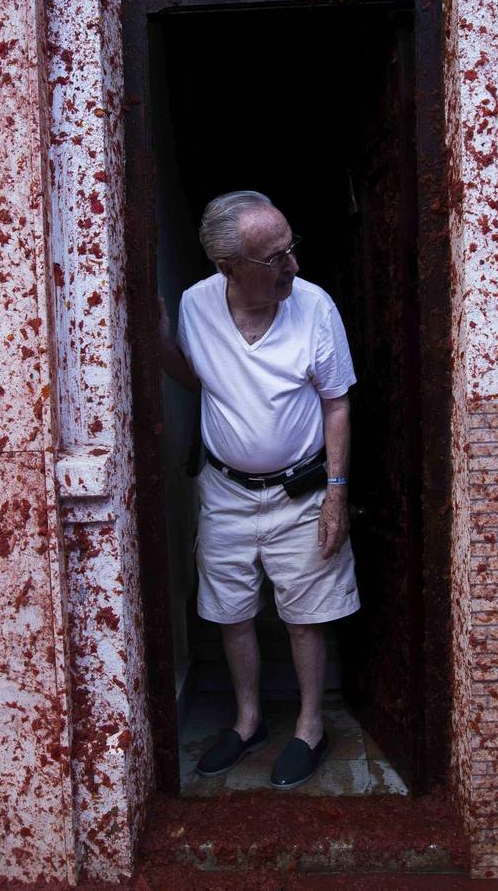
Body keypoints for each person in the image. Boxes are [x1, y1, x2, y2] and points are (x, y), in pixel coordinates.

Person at [158, 190, 358, 790]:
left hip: (301, 491)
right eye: (274, 259)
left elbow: (336, 402)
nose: (292, 266)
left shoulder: (314, 305)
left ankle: (308, 727)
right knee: (231, 611)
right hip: (224, 490)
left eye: (291, 248)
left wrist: (336, 494)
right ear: (229, 268)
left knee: (305, 614)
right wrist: (163, 344)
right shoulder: (196, 304)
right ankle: (247, 723)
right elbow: (198, 380)